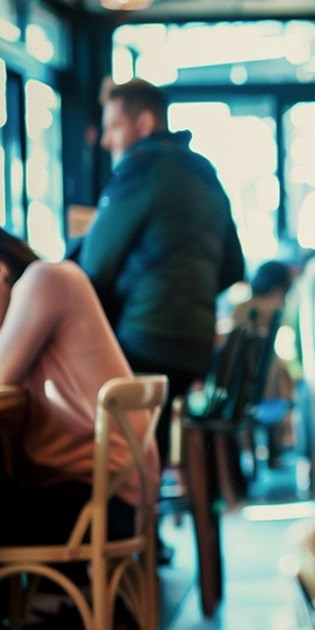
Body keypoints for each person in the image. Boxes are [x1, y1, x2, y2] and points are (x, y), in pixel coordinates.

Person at [77, 78, 245, 464]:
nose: (105, 141)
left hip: (145, 343)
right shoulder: (206, 171)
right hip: (194, 350)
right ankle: (145, 503)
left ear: (144, 122)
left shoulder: (142, 166)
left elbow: (94, 266)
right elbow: (233, 266)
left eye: (113, 127)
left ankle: (118, 503)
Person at [0, 230, 155, 547]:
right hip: (114, 500)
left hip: (96, 506)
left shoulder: (45, 279)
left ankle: (44, 595)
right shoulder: (54, 283)